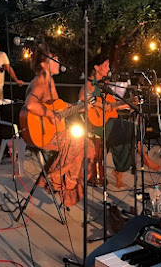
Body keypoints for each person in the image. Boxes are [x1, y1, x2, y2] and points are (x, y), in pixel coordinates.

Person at [23, 45, 95, 206]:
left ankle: (56, 177)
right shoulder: (40, 81)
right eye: (55, 60)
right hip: (42, 135)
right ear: (44, 64)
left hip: (51, 131)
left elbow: (59, 109)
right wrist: (49, 115)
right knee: (80, 142)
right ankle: (59, 179)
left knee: (88, 145)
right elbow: (30, 105)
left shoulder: (49, 81)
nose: (58, 62)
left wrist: (80, 107)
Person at [79, 56, 160, 189]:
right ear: (96, 67)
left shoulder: (103, 85)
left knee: (127, 136)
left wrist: (129, 103)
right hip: (96, 125)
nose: (108, 68)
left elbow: (113, 106)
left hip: (109, 121)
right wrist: (101, 105)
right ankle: (144, 160)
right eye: (105, 65)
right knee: (131, 130)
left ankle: (119, 173)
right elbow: (83, 96)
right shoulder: (90, 83)